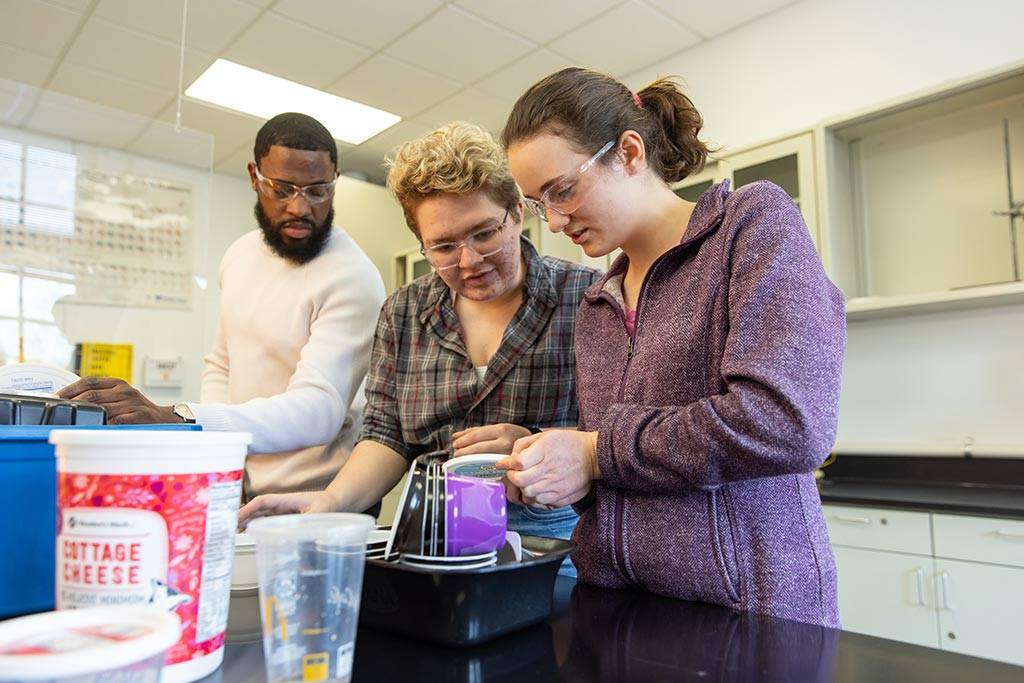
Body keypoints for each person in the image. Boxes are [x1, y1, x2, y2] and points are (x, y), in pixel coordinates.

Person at [499, 68, 845, 626]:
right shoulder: (596, 304)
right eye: (541, 204)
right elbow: (621, 467)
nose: (556, 221)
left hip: (748, 617)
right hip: (617, 609)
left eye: (563, 189)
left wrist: (594, 452)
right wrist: (552, 465)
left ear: (630, 153)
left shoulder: (750, 226)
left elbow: (787, 422)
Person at [239, 122, 601, 572]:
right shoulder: (405, 312)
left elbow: (612, 441)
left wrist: (539, 444)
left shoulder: (588, 298)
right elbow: (386, 437)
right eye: (444, 246)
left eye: (485, 233)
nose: (469, 261)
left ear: (517, 211)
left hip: (551, 541)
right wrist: (330, 501)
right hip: (432, 532)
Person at [59, 113, 386, 500]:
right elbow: (222, 363)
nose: (300, 207)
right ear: (254, 177)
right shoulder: (239, 255)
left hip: (317, 496)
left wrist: (179, 416)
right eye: (282, 189)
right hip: (236, 483)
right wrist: (215, 450)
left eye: (317, 191)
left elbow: (319, 412)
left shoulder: (352, 276)